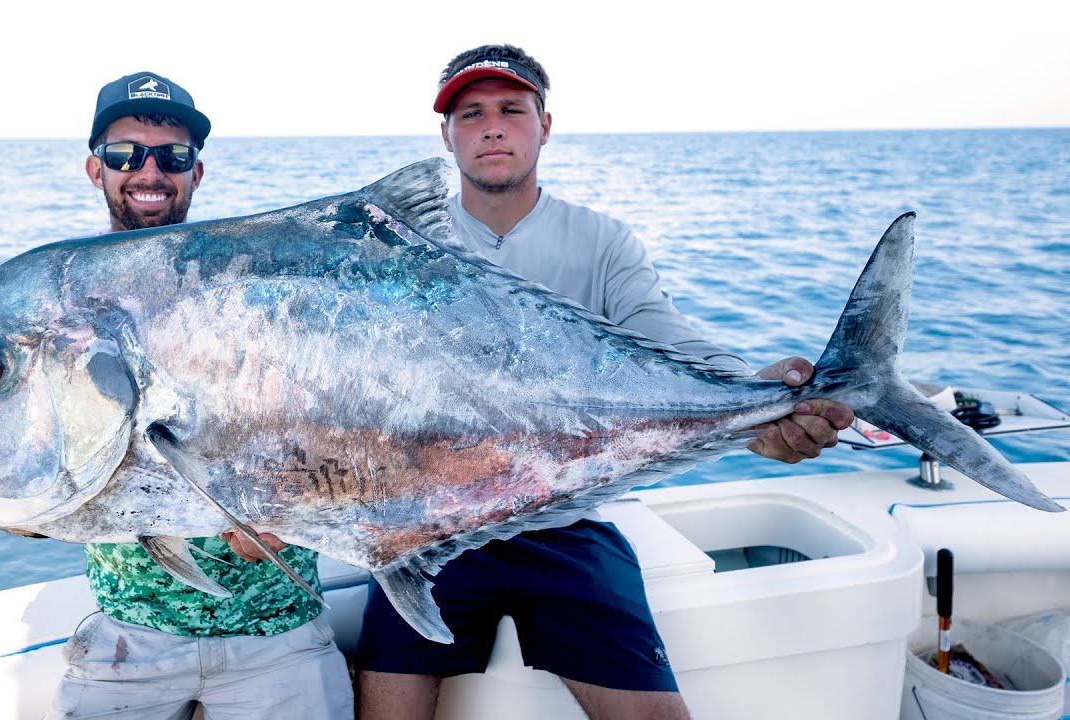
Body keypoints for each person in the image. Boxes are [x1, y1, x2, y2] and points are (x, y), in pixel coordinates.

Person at [352, 45, 856, 720]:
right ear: (446, 135)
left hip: (566, 522)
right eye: (470, 114)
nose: (492, 127)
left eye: (512, 109)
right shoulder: (398, 247)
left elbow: (664, 336)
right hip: (432, 528)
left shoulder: (601, 241)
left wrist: (756, 392)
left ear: (545, 125)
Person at [44, 71, 353, 720]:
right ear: (94, 168)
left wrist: (293, 515)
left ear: (197, 173)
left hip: (278, 628)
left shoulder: (257, 294)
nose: (149, 170)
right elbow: (41, 475)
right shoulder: (60, 309)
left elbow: (334, 432)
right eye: (127, 152)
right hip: (128, 638)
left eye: (173, 155)